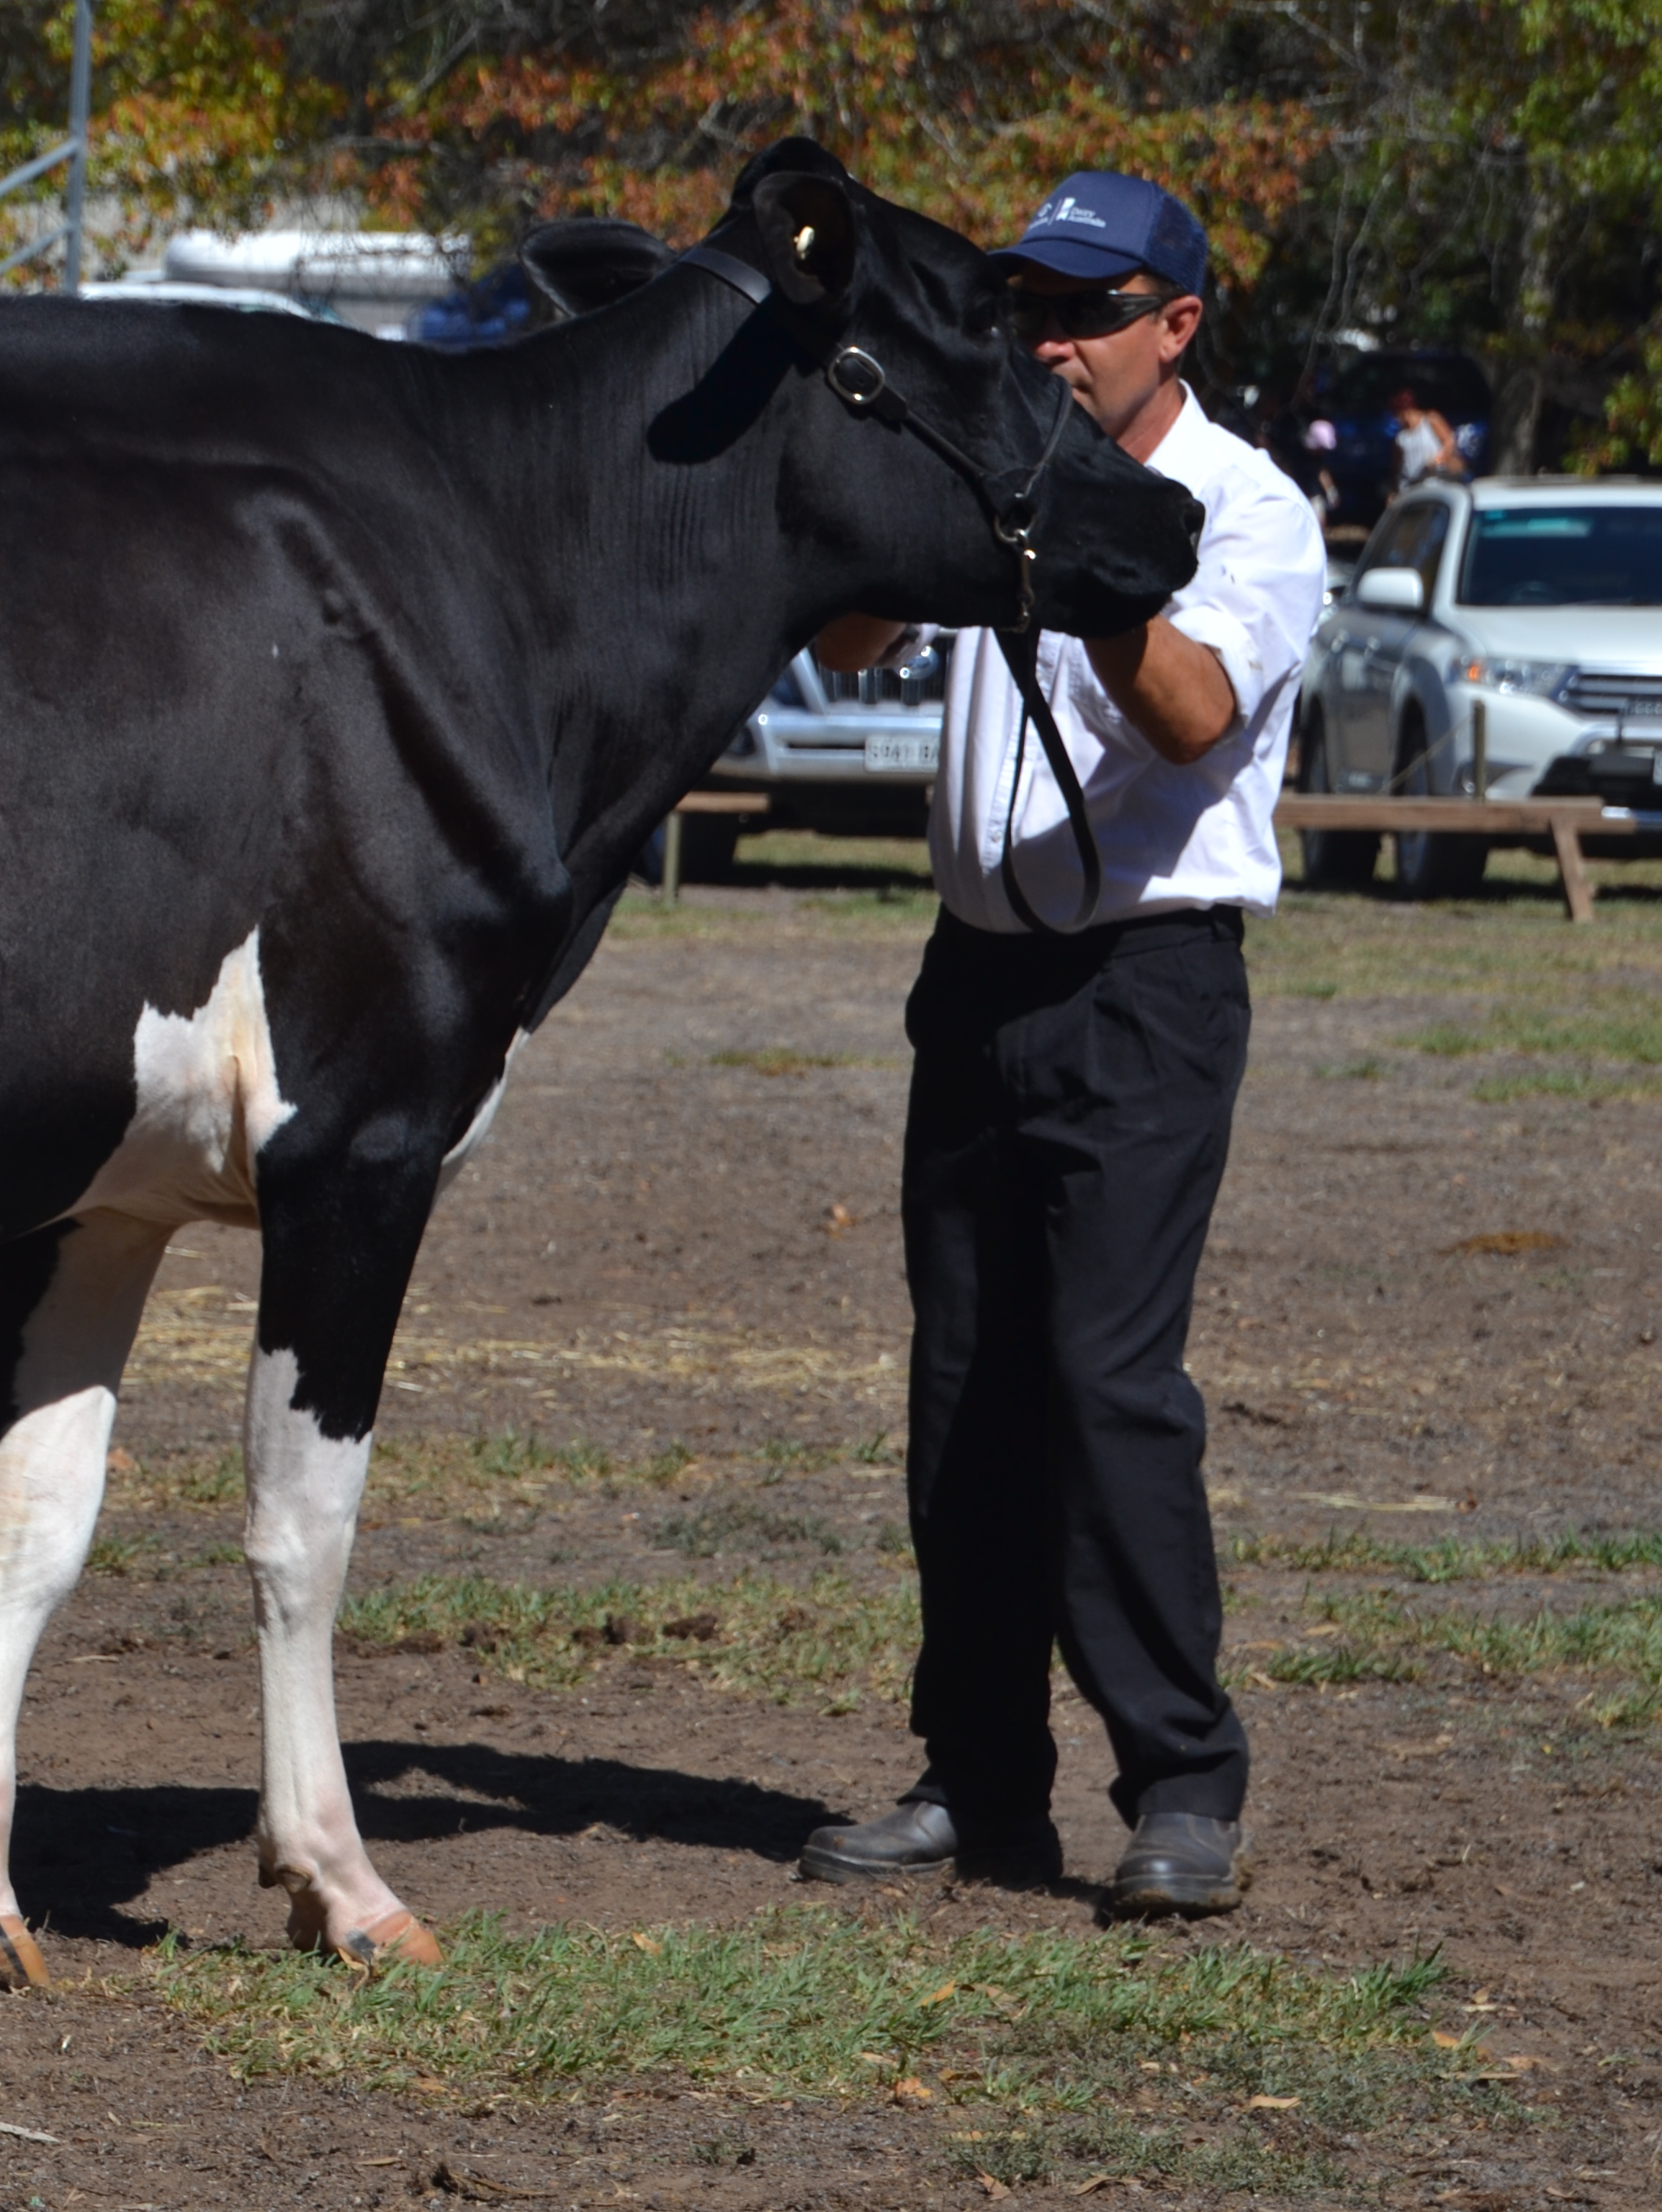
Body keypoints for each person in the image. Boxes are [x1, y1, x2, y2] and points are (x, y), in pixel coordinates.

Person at [804, 171, 1324, 1917]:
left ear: (1175, 326)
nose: (1046, 340)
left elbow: (1189, 715)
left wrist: (1078, 547)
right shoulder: (1001, 467)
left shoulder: (1247, 510)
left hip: (1145, 990)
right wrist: (911, 507)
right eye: (1026, 307)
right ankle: (979, 1779)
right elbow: (848, 639)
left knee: (1106, 1384)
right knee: (962, 1393)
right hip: (974, 981)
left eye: (1084, 312)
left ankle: (1181, 1780)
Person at [1391, 389, 1463, 490]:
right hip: (1409, 485)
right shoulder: (1400, 436)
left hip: (1434, 481)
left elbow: (1449, 441)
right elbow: (1397, 464)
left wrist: (1438, 460)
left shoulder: (1430, 420)